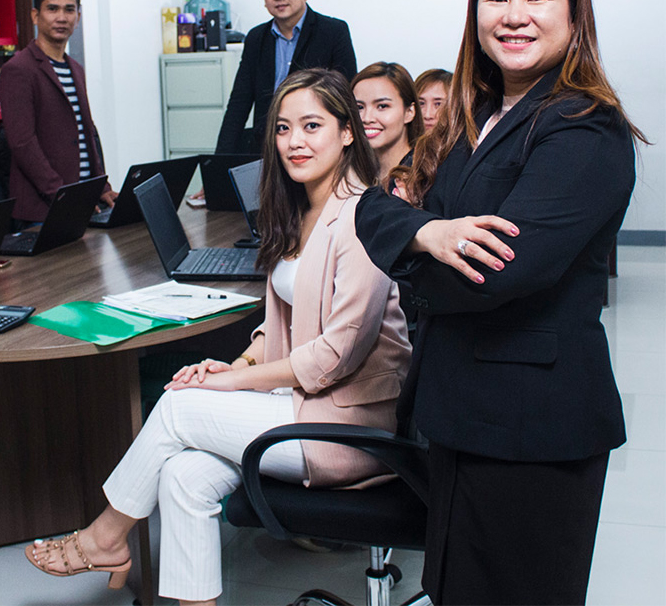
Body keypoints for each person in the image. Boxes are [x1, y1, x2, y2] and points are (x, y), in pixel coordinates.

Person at [25, 68, 411, 606]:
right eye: (282, 128)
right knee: (183, 475)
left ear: (348, 133)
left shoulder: (365, 218)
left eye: (312, 126)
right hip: (298, 404)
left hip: (347, 424)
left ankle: (106, 538)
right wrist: (238, 365)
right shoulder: (301, 209)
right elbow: (280, 324)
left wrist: (233, 384)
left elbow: (334, 356)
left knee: (178, 406)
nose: (294, 142)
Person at [355, 0, 645, 606]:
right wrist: (429, 233)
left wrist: (407, 247)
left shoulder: (584, 127)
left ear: (573, 11)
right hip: (457, 408)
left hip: (531, 426)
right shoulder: (473, 115)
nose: (514, 15)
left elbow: (493, 273)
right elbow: (373, 204)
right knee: (454, 589)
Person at [0, 0, 116, 224]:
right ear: (35, 15)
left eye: (69, 10)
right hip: (44, 209)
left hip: (85, 201)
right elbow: (22, 143)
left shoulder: (75, 68)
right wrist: (61, 195)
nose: (61, 18)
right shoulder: (19, 69)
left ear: (78, 17)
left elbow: (86, 133)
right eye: (52, 9)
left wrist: (101, 186)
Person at [214, 0, 357, 154]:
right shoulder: (256, 38)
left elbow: (346, 96)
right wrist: (219, 162)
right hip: (267, 146)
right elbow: (239, 102)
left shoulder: (333, 32)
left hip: (315, 144)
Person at [351, 62, 424, 185]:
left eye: (382, 106)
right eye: (359, 107)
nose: (367, 118)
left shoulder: (427, 175)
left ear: (409, 112)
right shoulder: (351, 176)